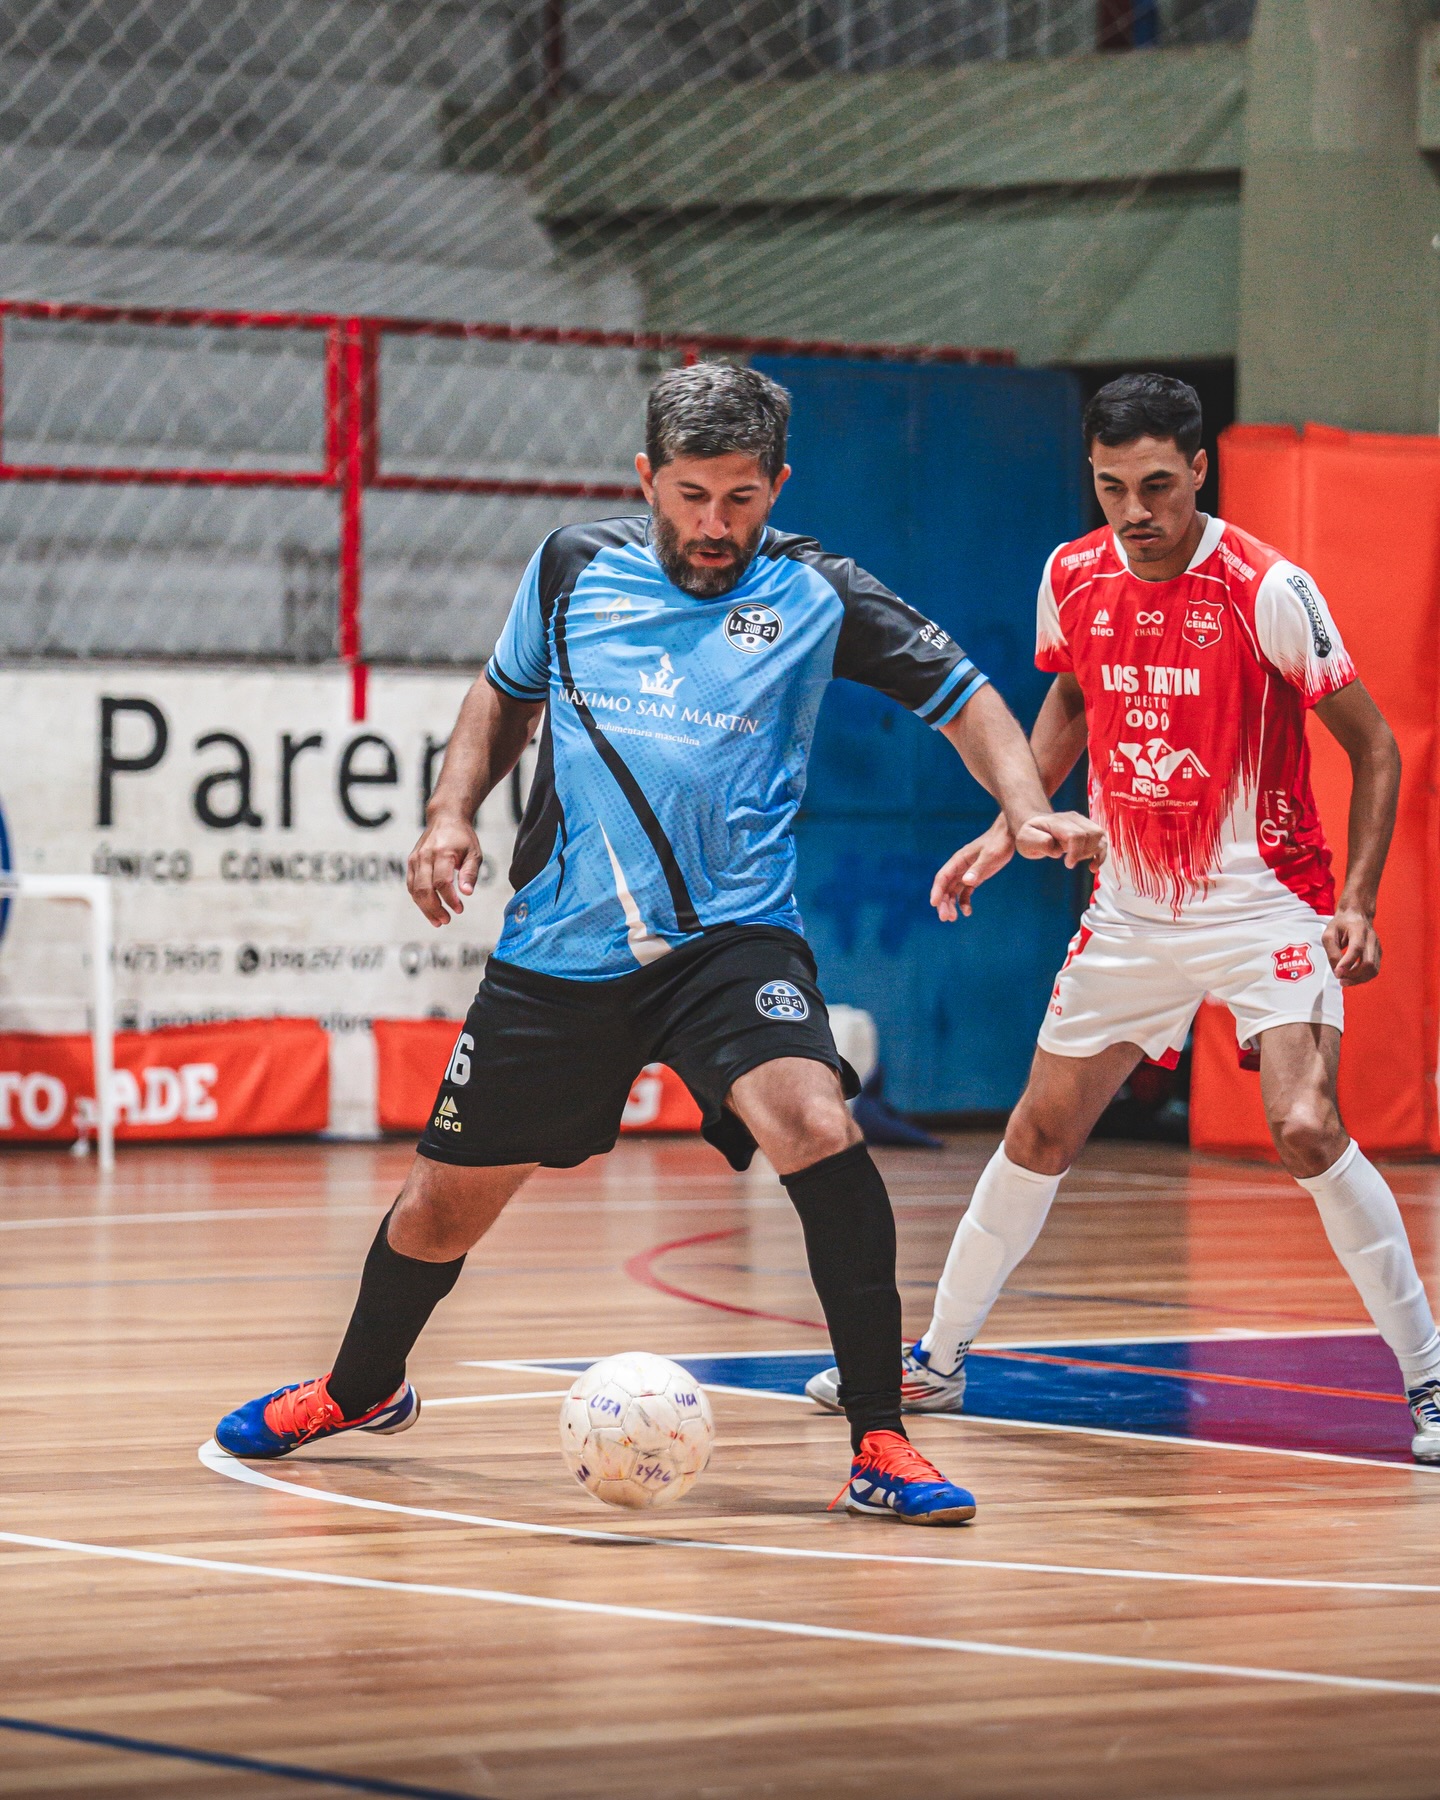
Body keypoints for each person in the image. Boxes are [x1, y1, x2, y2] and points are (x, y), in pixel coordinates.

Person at [214, 362, 1104, 1524]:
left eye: (741, 498)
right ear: (647, 478)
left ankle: (881, 1437)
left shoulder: (817, 591)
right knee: (439, 1208)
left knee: (817, 1123)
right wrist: (448, 814)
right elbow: (501, 696)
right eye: (691, 496)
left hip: (729, 943)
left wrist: (1026, 805)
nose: (714, 524)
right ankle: (359, 1388)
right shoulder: (572, 567)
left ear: (778, 484)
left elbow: (965, 695)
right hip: (560, 951)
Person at [806, 372, 1440, 1464]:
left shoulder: (1268, 588)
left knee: (1304, 1126)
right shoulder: (1073, 574)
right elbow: (1071, 696)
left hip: (1268, 907)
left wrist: (1358, 902)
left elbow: (1376, 746)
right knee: (1037, 1131)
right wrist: (1008, 826)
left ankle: (1429, 1378)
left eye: (1156, 485)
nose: (1134, 511)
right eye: (1111, 487)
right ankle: (939, 1360)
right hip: (1133, 915)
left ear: (1200, 469)